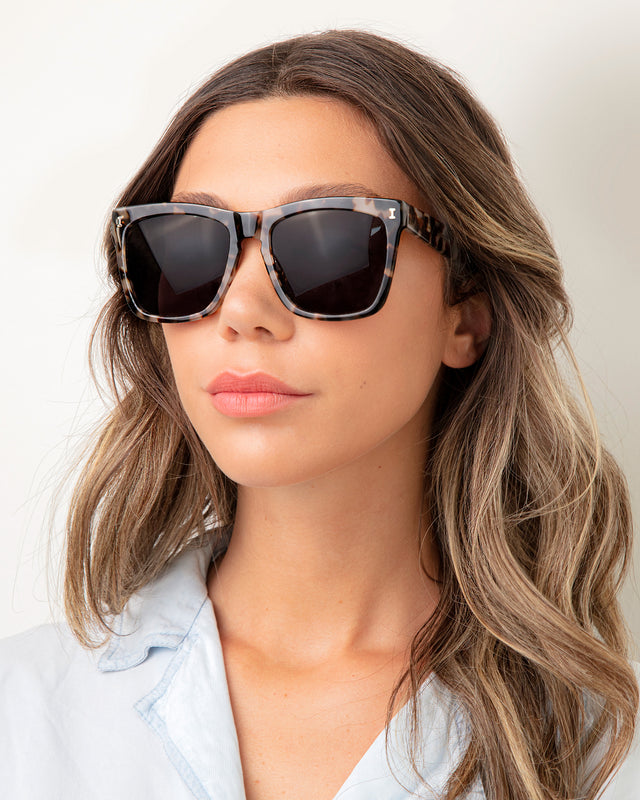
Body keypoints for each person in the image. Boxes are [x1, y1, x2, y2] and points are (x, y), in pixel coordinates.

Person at [0, 28, 638, 800]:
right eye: (190, 248)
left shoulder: (605, 750)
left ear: (466, 315)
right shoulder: (25, 713)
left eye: (330, 244)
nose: (241, 310)